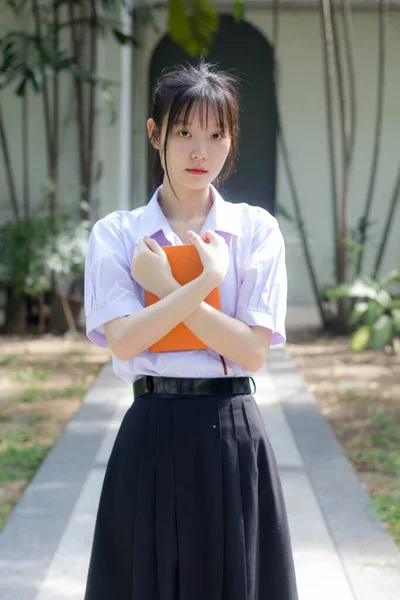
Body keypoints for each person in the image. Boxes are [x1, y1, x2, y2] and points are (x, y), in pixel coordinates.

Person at [83, 59, 298, 600]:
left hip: (232, 431)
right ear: (156, 134)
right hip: (150, 430)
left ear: (231, 141)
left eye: (215, 134)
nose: (200, 151)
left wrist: (185, 282)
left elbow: (251, 353)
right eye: (183, 132)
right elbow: (126, 340)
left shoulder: (255, 230)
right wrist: (206, 283)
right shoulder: (118, 234)